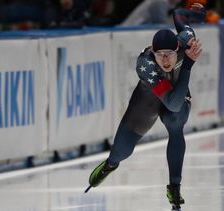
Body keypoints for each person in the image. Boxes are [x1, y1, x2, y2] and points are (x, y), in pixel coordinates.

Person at [85, 3, 205, 210]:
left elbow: (178, 15)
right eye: (160, 55)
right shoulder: (145, 65)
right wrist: (187, 65)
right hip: (147, 102)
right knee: (122, 151)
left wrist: (195, 12)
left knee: (175, 120)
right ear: (153, 52)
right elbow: (170, 102)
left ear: (179, 48)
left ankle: (174, 187)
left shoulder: (187, 41)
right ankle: (111, 164)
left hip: (175, 96)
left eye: (169, 54)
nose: (165, 60)